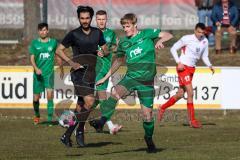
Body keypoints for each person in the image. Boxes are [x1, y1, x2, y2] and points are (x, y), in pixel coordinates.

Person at [93, 13, 173, 153]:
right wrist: (105, 78)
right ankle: (101, 121)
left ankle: (149, 139)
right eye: (123, 27)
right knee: (115, 92)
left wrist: (160, 41)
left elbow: (168, 35)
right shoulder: (124, 43)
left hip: (146, 82)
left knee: (147, 117)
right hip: (131, 77)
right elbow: (118, 61)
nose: (125, 29)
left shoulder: (147, 34)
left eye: (128, 26)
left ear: (135, 25)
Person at [56, 6, 108, 147]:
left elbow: (106, 49)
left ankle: (71, 134)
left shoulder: (97, 33)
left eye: (87, 18)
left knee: (81, 106)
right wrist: (71, 63)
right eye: (82, 18)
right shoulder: (73, 34)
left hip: (91, 73)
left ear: (91, 18)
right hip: (78, 74)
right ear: (79, 18)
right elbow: (59, 50)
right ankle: (76, 132)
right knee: (90, 102)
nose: (84, 21)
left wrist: (103, 52)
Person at [158, 23, 215, 128]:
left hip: (191, 69)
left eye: (202, 32)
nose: (200, 34)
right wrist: (178, 62)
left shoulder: (205, 41)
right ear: (195, 30)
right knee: (190, 92)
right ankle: (192, 121)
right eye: (198, 32)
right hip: (182, 67)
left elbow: (204, 56)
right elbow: (173, 49)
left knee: (180, 94)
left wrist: (209, 65)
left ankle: (162, 108)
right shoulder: (186, 38)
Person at [89, 10, 122, 134]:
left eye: (103, 19)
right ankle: (111, 126)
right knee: (102, 97)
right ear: (95, 20)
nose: (101, 21)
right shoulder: (91, 34)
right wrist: (94, 51)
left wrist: (107, 50)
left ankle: (79, 120)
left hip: (107, 69)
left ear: (106, 20)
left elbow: (115, 47)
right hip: (96, 70)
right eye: (99, 19)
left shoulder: (111, 34)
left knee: (95, 100)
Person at [29, 23, 64, 126]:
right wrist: (36, 68)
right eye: (41, 30)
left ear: (47, 31)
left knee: (49, 96)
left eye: (45, 30)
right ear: (38, 32)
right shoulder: (34, 43)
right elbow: (32, 58)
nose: (43, 32)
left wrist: (61, 67)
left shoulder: (53, 42)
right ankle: (37, 115)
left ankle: (49, 119)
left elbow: (57, 55)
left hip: (49, 74)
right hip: (37, 74)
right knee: (36, 98)